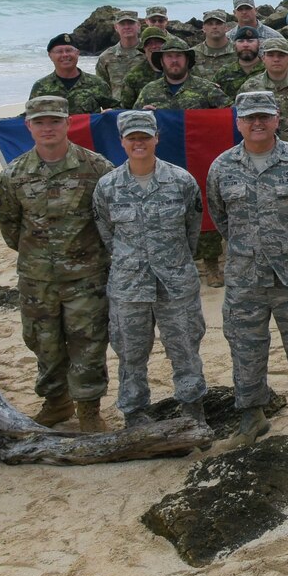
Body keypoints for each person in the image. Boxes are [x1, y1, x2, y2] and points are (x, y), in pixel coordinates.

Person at [205, 92, 288, 444]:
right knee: (245, 345)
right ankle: (251, 415)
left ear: (277, 118)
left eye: (264, 116)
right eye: (249, 118)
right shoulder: (222, 166)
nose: (257, 123)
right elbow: (220, 217)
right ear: (239, 122)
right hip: (245, 276)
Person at [0, 96, 114, 432]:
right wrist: (41, 257)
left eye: (54, 121)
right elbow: (10, 226)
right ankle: (57, 402)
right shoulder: (14, 174)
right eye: (40, 122)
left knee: (87, 341)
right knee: (42, 340)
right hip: (37, 278)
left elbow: (110, 219)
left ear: (67, 123)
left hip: (86, 277)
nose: (47, 128)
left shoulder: (96, 168)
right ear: (28, 126)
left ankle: (88, 408)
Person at [92, 110, 209, 427]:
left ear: (157, 138)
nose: (139, 143)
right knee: (130, 354)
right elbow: (106, 233)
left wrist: (172, 260)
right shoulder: (107, 186)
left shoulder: (181, 181)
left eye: (145, 136)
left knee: (185, 349)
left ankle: (192, 407)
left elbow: (192, 231)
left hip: (176, 283)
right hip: (129, 286)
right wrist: (131, 261)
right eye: (132, 138)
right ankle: (135, 412)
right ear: (122, 142)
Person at [28, 34, 115, 116]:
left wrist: (110, 112)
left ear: (77, 53)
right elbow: (29, 116)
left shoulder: (97, 84)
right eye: (59, 51)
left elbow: (116, 109)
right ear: (50, 56)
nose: (65, 55)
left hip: (87, 132)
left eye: (69, 50)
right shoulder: (40, 87)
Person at [132, 36, 230, 109]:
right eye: (169, 56)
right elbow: (133, 122)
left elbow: (232, 116)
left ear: (187, 60)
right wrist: (143, 114)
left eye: (179, 55)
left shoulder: (207, 89)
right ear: (161, 61)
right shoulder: (148, 91)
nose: (174, 60)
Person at [92, 12, 145, 97]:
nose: (127, 27)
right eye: (122, 24)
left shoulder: (149, 53)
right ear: (116, 27)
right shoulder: (106, 57)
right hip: (118, 108)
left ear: (138, 26)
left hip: (144, 107)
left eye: (131, 23)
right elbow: (101, 87)